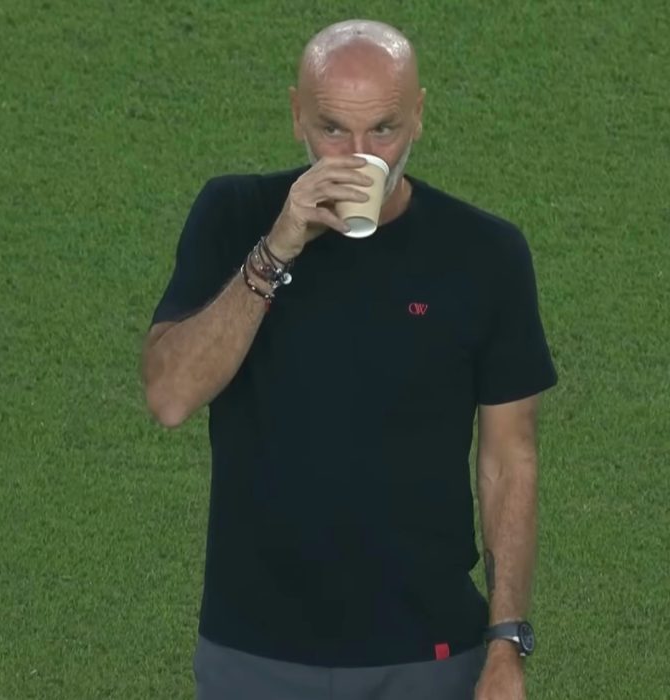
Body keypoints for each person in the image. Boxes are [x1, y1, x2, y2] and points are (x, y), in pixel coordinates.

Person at [143, 18, 556, 700]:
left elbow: (509, 458)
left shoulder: (486, 254)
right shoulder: (233, 213)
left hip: (429, 655)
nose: (360, 156)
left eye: (384, 129)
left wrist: (507, 640)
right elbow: (169, 397)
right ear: (296, 116)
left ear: (419, 115)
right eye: (333, 129)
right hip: (254, 653)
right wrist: (276, 248)